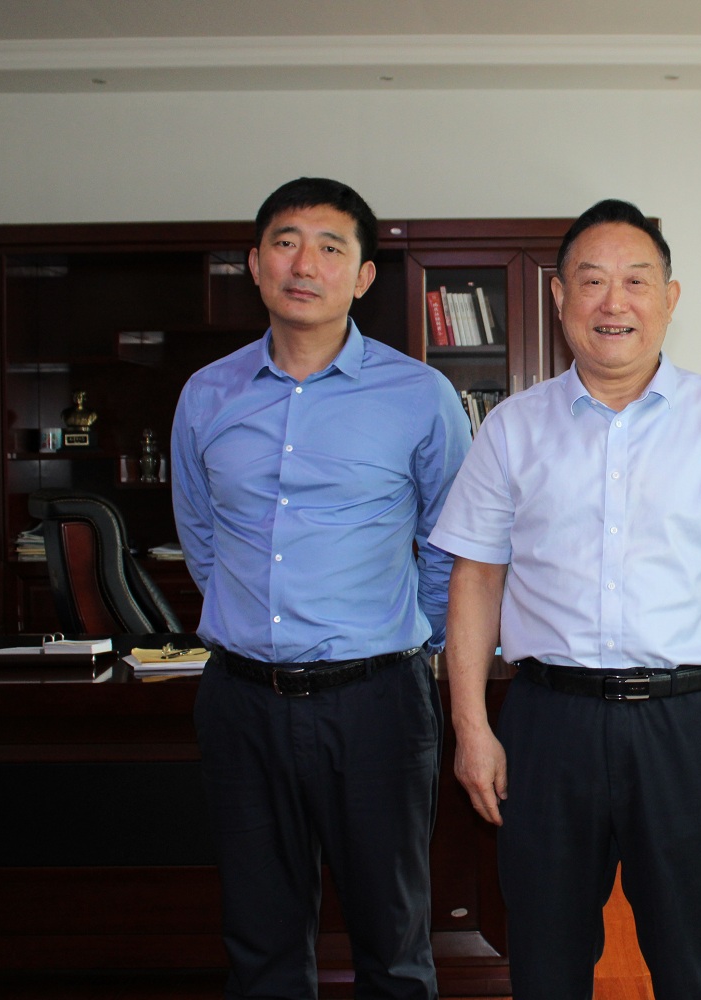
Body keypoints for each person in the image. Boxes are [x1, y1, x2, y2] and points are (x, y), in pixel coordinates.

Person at [430, 199, 701, 1000]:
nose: (614, 302)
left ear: (670, 299)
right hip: (547, 724)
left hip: (689, 725)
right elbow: (476, 579)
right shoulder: (511, 429)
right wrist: (471, 726)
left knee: (693, 962)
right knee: (545, 961)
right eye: (592, 281)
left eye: (636, 281)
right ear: (559, 297)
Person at [172, 176, 470, 1000]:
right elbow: (201, 535)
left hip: (377, 702)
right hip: (242, 700)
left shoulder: (420, 396)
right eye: (286, 243)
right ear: (255, 264)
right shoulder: (207, 394)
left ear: (364, 275)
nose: (304, 264)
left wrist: (413, 642)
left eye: (330, 247)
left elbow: (450, 544)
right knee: (259, 941)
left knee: (393, 941)